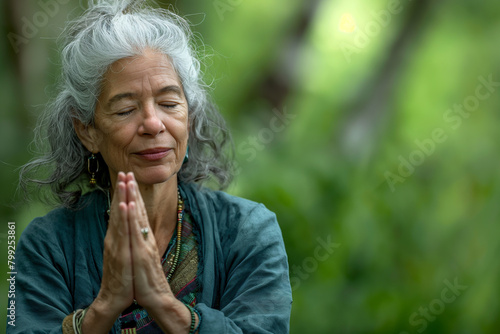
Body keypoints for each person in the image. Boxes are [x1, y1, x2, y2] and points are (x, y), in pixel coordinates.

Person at [9, 1, 292, 333]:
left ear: (190, 115)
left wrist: (164, 304)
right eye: (126, 109)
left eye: (169, 103)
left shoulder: (249, 232)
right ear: (87, 131)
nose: (153, 123)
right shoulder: (47, 245)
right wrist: (103, 308)